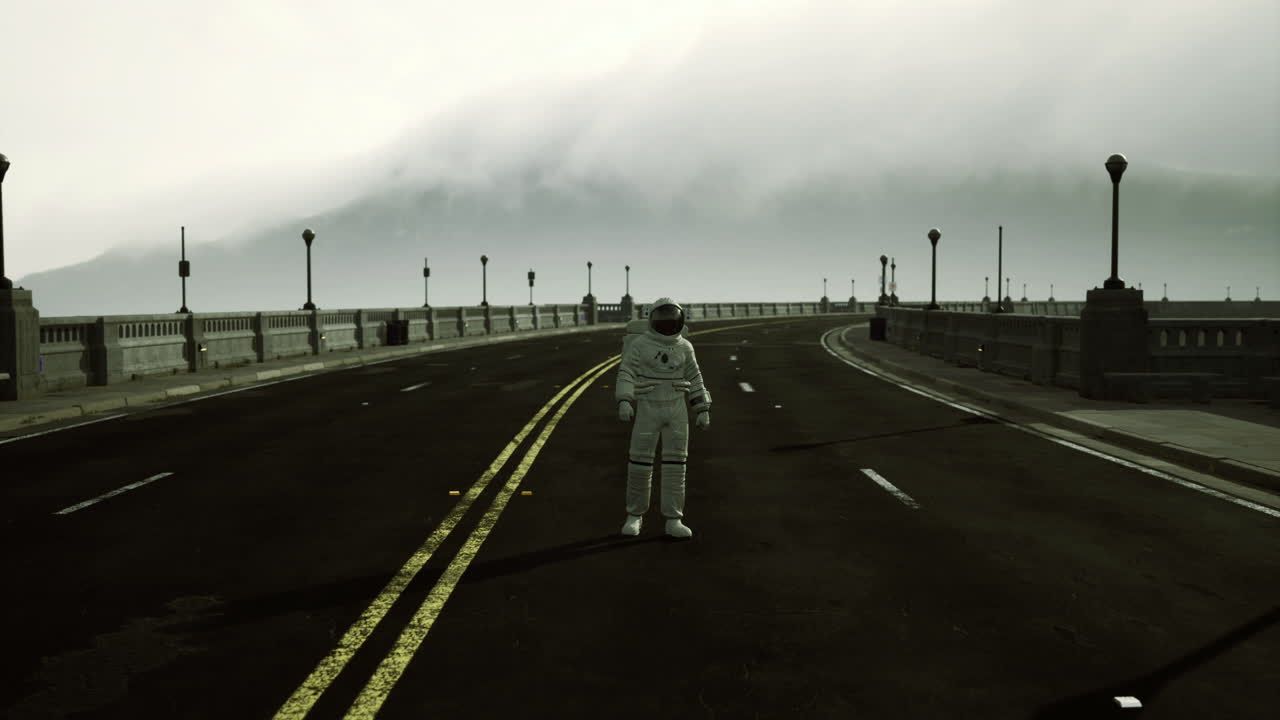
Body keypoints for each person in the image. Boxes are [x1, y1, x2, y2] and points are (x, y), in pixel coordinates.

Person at [615, 298, 711, 538]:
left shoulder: (685, 347)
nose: (668, 325)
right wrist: (625, 400)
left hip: (676, 408)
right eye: (663, 320)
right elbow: (626, 372)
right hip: (649, 406)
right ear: (652, 320)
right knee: (639, 464)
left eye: (672, 320)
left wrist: (702, 409)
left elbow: (695, 376)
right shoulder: (640, 344)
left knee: (676, 466)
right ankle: (634, 516)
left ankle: (673, 519)